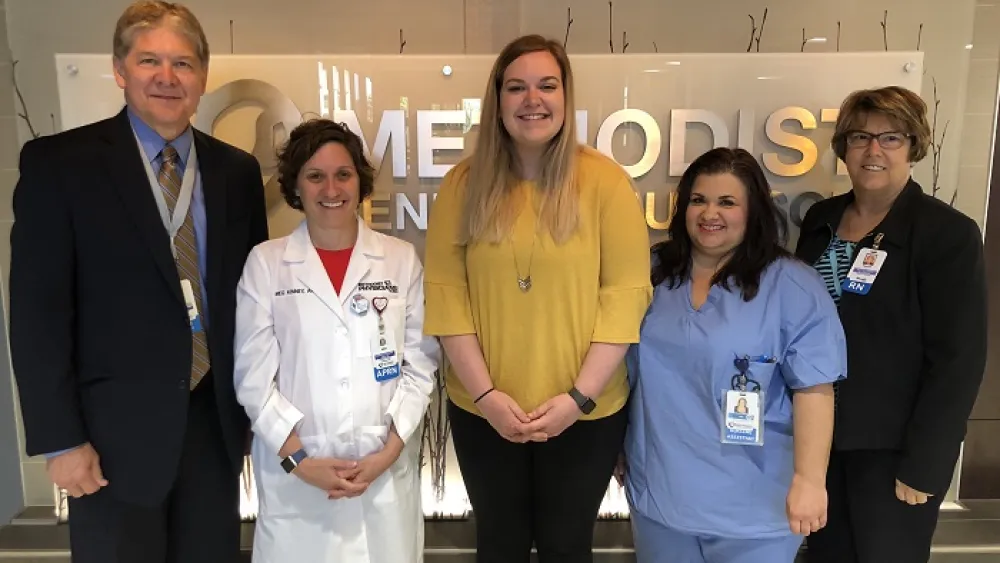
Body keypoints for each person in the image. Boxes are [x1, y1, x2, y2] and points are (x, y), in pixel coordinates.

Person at [8, 2, 268, 562]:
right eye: (150, 60)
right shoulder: (61, 165)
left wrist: (253, 419)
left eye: (183, 63)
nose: (167, 77)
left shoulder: (236, 173)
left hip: (212, 429)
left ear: (203, 76)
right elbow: (37, 313)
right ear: (120, 70)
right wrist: (60, 439)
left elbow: (248, 305)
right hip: (108, 441)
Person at [423, 34, 652, 562]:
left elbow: (624, 299)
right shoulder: (462, 185)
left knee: (566, 547)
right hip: (484, 412)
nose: (533, 100)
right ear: (497, 99)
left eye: (547, 86)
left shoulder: (605, 182)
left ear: (565, 97)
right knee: (498, 545)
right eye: (516, 87)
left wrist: (577, 399)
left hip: (585, 415)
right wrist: (486, 397)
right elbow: (447, 296)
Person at [622, 147, 847, 563]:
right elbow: (625, 371)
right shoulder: (651, 272)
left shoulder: (793, 287)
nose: (710, 213)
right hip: (660, 500)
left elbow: (815, 388)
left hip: (755, 510)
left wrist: (810, 480)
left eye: (727, 202)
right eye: (698, 200)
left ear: (754, 211)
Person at [795, 86, 987, 563]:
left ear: (914, 145)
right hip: (818, 444)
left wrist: (926, 464)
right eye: (860, 136)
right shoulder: (821, 219)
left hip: (894, 454)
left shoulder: (947, 234)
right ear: (843, 147)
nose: (873, 150)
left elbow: (958, 360)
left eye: (890, 138)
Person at [233, 119, 439, 563]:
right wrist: (300, 461)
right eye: (315, 175)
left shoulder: (399, 260)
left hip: (381, 474)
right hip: (299, 481)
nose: (331, 188)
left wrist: (388, 452)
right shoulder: (267, 265)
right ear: (296, 186)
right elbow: (253, 379)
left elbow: (420, 365)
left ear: (359, 182)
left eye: (343, 174)